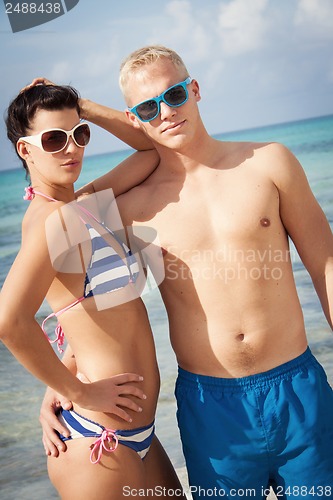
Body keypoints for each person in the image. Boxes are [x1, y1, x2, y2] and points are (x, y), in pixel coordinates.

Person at [39, 45, 333, 498]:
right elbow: (92, 305)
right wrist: (60, 387)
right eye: (148, 108)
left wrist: (83, 107)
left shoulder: (270, 162)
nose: (167, 113)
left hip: (298, 390)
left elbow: (325, 264)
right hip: (211, 408)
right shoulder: (127, 209)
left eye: (175, 95)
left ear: (194, 90)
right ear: (134, 116)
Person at [0, 83, 184, 499]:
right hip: (96, 441)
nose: (71, 148)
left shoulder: (84, 205)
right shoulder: (52, 222)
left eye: (78, 133)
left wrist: (81, 106)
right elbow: (9, 322)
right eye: (53, 139)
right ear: (25, 150)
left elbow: (152, 150)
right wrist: (76, 391)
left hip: (137, 436)